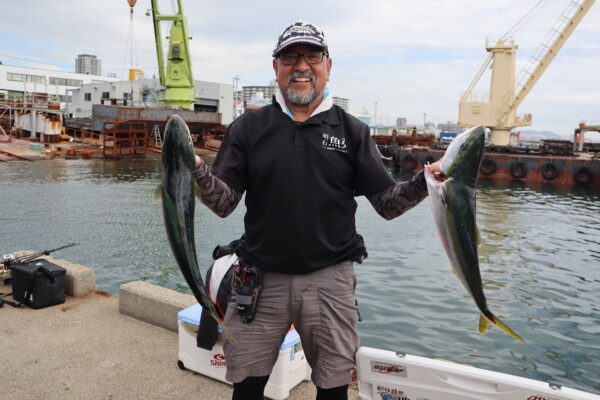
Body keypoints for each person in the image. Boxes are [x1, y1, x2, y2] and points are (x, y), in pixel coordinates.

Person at [194, 21, 443, 400]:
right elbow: (224, 202)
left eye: (312, 56)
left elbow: (387, 204)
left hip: (331, 280)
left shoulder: (352, 131)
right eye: (290, 56)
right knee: (247, 387)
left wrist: (427, 182)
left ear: (328, 66)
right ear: (275, 67)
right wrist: (194, 170)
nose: (301, 66)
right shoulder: (249, 127)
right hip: (259, 278)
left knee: (332, 387)